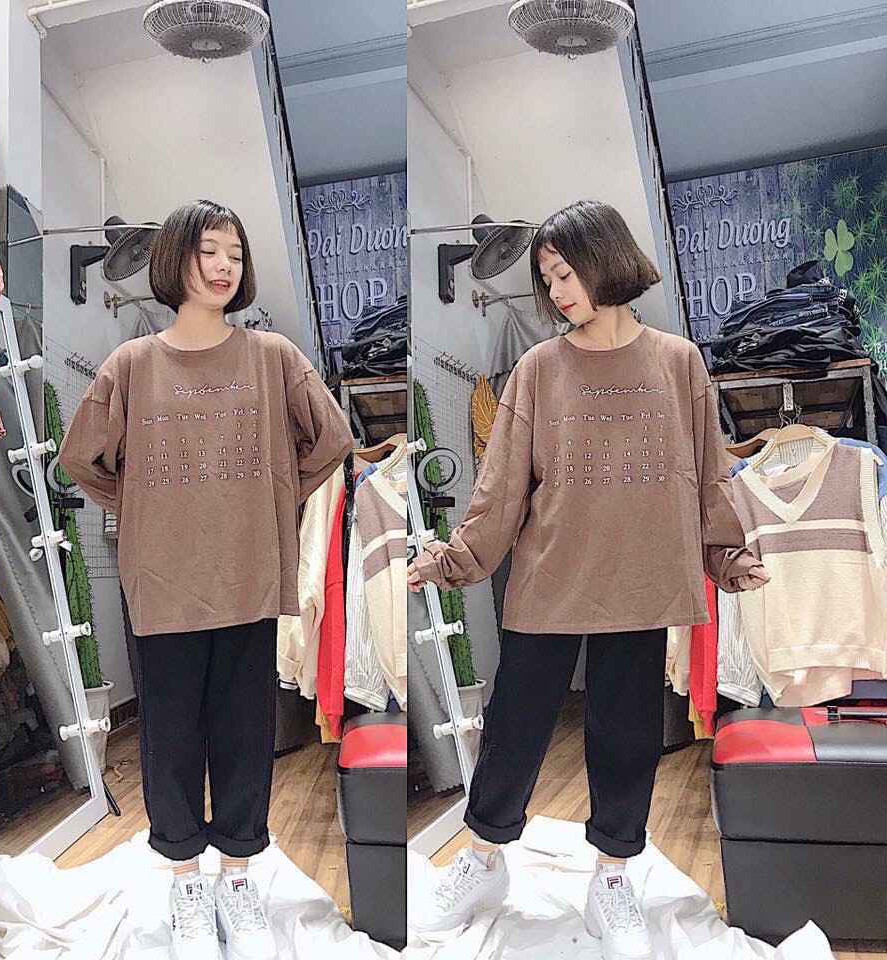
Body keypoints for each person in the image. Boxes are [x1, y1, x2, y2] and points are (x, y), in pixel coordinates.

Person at [407, 200, 769, 958]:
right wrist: (454, 559)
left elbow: (708, 472)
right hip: (550, 578)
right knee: (514, 727)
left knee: (626, 734)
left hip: (641, 580)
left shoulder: (678, 362)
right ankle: (483, 861)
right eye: (547, 279)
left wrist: (725, 555)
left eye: (565, 273)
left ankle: (612, 878)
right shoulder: (538, 369)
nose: (557, 291)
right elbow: (501, 486)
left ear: (606, 260)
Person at [59, 200, 354, 960]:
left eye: (235, 253)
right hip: (161, 582)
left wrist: (277, 496)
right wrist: (143, 502)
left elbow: (332, 439)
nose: (224, 266)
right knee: (170, 737)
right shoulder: (131, 365)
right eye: (208, 251)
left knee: (245, 732)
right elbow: (80, 457)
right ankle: (187, 882)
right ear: (175, 262)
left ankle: (237, 878)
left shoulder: (273, 357)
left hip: (247, 574)